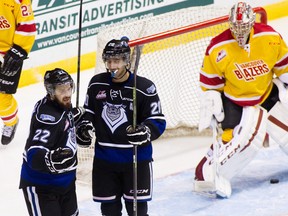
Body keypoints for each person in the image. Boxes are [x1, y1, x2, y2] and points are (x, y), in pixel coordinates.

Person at [194, 1, 288, 198]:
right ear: (230, 23)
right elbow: (209, 82)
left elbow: (283, 67)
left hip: (265, 95)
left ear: (252, 23)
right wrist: (211, 97)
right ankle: (206, 172)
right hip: (235, 102)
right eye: (235, 26)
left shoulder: (269, 38)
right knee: (241, 142)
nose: (239, 31)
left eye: (244, 26)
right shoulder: (217, 46)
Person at [75, 37, 166, 216]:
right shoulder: (96, 84)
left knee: (137, 212)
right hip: (105, 161)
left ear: (126, 61)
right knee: (109, 211)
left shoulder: (144, 87)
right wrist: (84, 126)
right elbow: (89, 113)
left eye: (116, 60)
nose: (111, 65)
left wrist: (145, 131)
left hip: (136, 161)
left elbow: (157, 120)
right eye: (108, 60)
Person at [19, 68, 81, 216]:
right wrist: (50, 159)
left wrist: (79, 122)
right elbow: (34, 153)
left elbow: (63, 124)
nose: (67, 94)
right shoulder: (48, 117)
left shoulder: (58, 106)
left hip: (66, 183)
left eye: (69, 88)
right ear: (51, 91)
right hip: (43, 187)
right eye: (61, 90)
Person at [0, 0, 36, 145]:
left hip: (7, 55)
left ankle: (11, 122)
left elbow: (28, 27)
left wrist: (17, 52)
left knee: (2, 98)